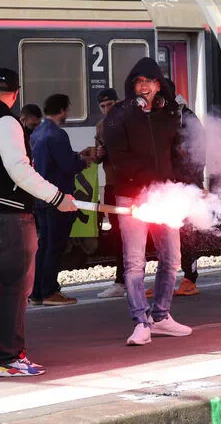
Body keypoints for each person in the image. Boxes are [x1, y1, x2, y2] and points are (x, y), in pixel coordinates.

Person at [0, 68, 78, 377]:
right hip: (7, 218)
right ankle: (11, 357)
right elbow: (18, 169)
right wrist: (56, 197)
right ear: (16, 93)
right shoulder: (6, 121)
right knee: (14, 286)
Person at [104, 58, 193, 346]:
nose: (143, 86)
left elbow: (181, 151)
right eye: (138, 81)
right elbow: (117, 155)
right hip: (133, 194)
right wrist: (147, 179)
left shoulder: (171, 112)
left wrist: (183, 182)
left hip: (165, 194)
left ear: (158, 84)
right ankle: (141, 322)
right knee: (134, 262)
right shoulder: (120, 113)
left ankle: (162, 316)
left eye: (149, 81)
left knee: (171, 258)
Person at [29, 94, 93, 306]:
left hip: (41, 197)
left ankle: (37, 292)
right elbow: (68, 166)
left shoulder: (37, 133)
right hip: (59, 199)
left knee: (44, 245)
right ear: (63, 110)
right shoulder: (58, 134)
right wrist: (84, 161)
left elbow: (56, 159)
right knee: (55, 246)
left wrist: (76, 155)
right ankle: (50, 292)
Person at [166, 78, 205, 297]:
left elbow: (198, 153)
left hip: (184, 184)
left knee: (187, 232)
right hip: (169, 184)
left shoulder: (186, 118)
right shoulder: (172, 117)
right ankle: (170, 277)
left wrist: (195, 183)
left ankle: (190, 277)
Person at [94, 88, 126, 299]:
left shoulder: (128, 122)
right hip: (112, 185)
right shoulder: (101, 126)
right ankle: (122, 280)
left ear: (117, 103)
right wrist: (99, 155)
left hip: (129, 185)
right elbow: (97, 159)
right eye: (103, 106)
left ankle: (126, 279)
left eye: (110, 105)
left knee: (130, 234)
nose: (107, 110)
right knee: (116, 233)